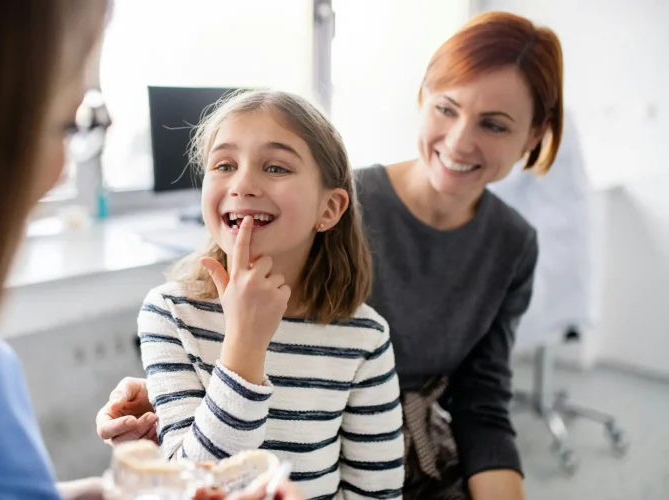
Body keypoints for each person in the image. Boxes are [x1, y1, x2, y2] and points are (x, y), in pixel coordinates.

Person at [98, 10, 564, 500]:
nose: (460, 139)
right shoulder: (322, 200)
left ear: (532, 137)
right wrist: (194, 380)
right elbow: (194, 472)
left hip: (410, 458)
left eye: (493, 124)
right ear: (423, 98)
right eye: (447, 109)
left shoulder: (503, 249)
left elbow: (481, 403)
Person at [0, 2, 306, 500]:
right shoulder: (166, 313)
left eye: (276, 168)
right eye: (65, 124)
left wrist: (113, 494)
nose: (59, 170)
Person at [131, 90, 405, 500]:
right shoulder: (170, 314)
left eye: (276, 167)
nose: (242, 184)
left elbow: (377, 493)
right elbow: (188, 489)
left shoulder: (364, 338)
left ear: (328, 209)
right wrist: (244, 346)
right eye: (224, 165)